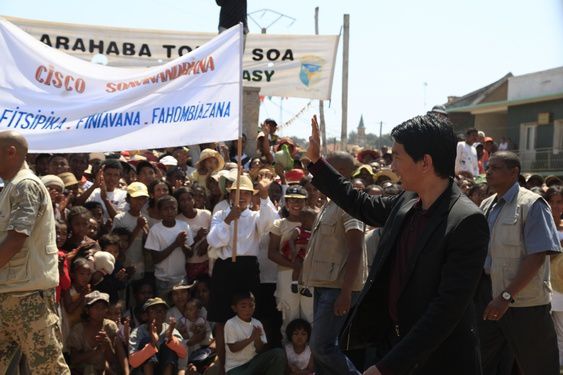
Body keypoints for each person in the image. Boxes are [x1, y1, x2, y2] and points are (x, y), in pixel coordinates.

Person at [306, 114, 490, 374]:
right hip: (393, 346)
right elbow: (361, 204)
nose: (392, 166)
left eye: (397, 157)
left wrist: (386, 367)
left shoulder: (466, 221)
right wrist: (317, 162)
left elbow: (445, 311)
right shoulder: (407, 203)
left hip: (438, 360)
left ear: (425, 162)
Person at [478, 151, 560, 374]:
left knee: (538, 367)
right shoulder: (487, 205)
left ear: (514, 172)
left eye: (495, 168)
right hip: (489, 299)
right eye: (488, 167)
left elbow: (537, 255)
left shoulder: (532, 204)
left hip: (524, 304)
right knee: (486, 364)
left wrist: (506, 296)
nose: (488, 172)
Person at [0, 130, 70, 373]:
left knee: (49, 369)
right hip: (9, 294)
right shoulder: (9, 187)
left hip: (27, 298)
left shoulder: (25, 186)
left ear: (10, 152)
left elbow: (16, 239)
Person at [301, 151, 368, 375]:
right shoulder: (330, 203)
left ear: (338, 173)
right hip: (324, 286)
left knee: (321, 346)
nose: (319, 170)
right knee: (325, 350)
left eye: (324, 166)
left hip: (337, 288)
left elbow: (356, 249)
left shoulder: (350, 203)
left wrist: (346, 292)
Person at [206, 174, 278, 373]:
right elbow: (213, 240)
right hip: (225, 268)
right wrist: (229, 219)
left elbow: (271, 224)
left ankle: (254, 362)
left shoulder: (255, 216)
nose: (242, 196)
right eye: (238, 192)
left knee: (253, 315)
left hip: (247, 268)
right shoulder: (221, 214)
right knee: (222, 319)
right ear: (231, 195)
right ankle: (222, 363)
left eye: (246, 193)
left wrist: (264, 196)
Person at [224, 291, 285, 374]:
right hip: (236, 367)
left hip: (253, 362)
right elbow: (233, 348)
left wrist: (257, 338)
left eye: (251, 305)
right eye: (243, 306)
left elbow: (259, 350)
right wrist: (251, 338)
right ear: (234, 308)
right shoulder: (230, 323)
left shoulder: (257, 323)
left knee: (279, 353)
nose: (248, 309)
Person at [145, 195, 194, 297]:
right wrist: (175, 244)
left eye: (173, 208)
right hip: (163, 280)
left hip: (181, 278)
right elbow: (155, 259)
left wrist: (182, 245)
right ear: (159, 211)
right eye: (166, 209)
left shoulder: (184, 226)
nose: (170, 212)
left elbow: (190, 254)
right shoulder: (155, 230)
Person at [128, 297, 187, 373]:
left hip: (164, 370)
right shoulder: (138, 332)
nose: (159, 313)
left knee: (168, 345)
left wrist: (170, 339)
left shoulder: (170, 330)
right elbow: (133, 361)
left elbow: (184, 354)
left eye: (162, 311)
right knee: (146, 341)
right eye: (154, 310)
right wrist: (152, 344)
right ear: (145, 315)